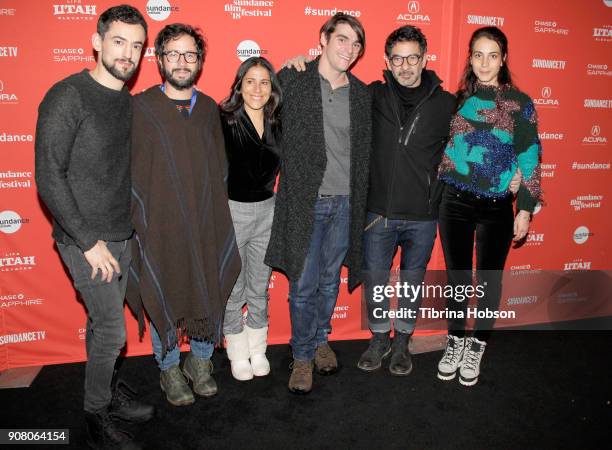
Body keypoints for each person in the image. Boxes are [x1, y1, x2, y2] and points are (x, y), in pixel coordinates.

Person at [35, 5, 153, 448]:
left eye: (137, 45)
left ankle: (106, 392)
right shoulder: (68, 95)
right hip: (86, 240)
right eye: (119, 41)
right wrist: (88, 242)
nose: (128, 53)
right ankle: (95, 413)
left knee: (103, 327)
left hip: (121, 235)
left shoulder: (123, 100)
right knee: (111, 331)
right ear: (97, 41)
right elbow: (49, 175)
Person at [127, 23, 241, 406]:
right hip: (161, 224)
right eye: (172, 53)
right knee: (165, 286)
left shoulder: (209, 109)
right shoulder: (141, 108)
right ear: (159, 59)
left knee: (209, 280)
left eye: (189, 54)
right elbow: (133, 171)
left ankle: (201, 362)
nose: (181, 61)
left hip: (206, 218)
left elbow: (219, 168)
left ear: (200, 61)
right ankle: (170, 368)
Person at [264, 13, 372, 394]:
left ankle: (321, 338)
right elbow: (260, 110)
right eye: (342, 39)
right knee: (303, 285)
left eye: (356, 44)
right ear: (323, 38)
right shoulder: (292, 78)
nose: (349, 50)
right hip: (305, 203)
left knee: (330, 282)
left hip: (345, 204)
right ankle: (303, 355)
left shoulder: (361, 93)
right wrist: (288, 65)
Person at [436, 26, 542, 386]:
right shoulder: (456, 101)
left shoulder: (520, 104)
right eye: (478, 54)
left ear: (504, 59)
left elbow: (530, 161)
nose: (484, 62)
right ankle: (454, 341)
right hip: (454, 204)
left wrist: (524, 207)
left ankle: (477, 344)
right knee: (458, 279)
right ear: (470, 58)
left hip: (497, 207)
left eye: (492, 55)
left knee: (489, 282)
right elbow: (442, 151)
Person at [356, 26, 455, 376]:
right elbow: (329, 88)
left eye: (413, 57)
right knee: (376, 280)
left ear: (425, 59)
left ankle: (402, 342)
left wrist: (515, 175)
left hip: (423, 214)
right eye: (398, 59)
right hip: (377, 213)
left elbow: (478, 145)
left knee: (413, 281)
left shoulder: (446, 104)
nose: (406, 66)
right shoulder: (372, 96)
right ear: (387, 61)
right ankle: (380, 338)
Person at [219, 57, 282, 381]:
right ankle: (237, 351)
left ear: (272, 88)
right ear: (239, 85)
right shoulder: (224, 120)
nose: (257, 89)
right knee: (233, 287)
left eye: (264, 82)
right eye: (250, 81)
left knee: (259, 287)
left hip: (268, 213)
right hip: (233, 212)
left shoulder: (278, 121)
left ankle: (258, 349)